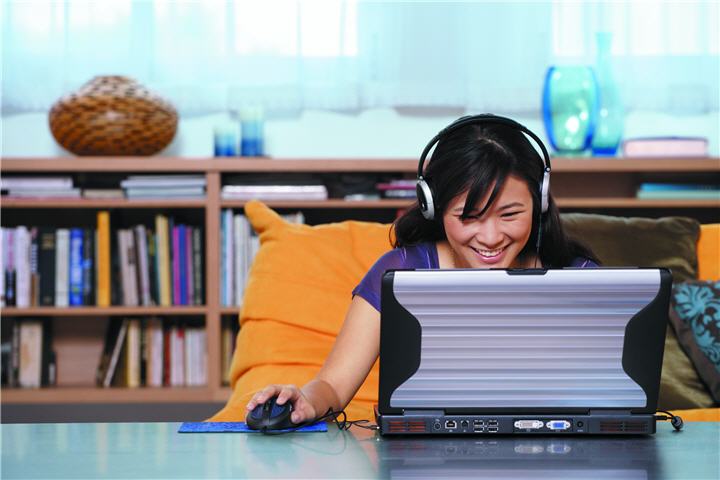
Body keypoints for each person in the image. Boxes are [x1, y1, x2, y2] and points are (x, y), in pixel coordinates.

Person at [246, 114, 599, 425]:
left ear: (539, 202)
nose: (491, 237)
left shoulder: (581, 279)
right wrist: (304, 400)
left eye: (510, 215)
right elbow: (333, 386)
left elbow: (606, 395)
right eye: (469, 217)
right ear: (435, 208)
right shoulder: (401, 273)